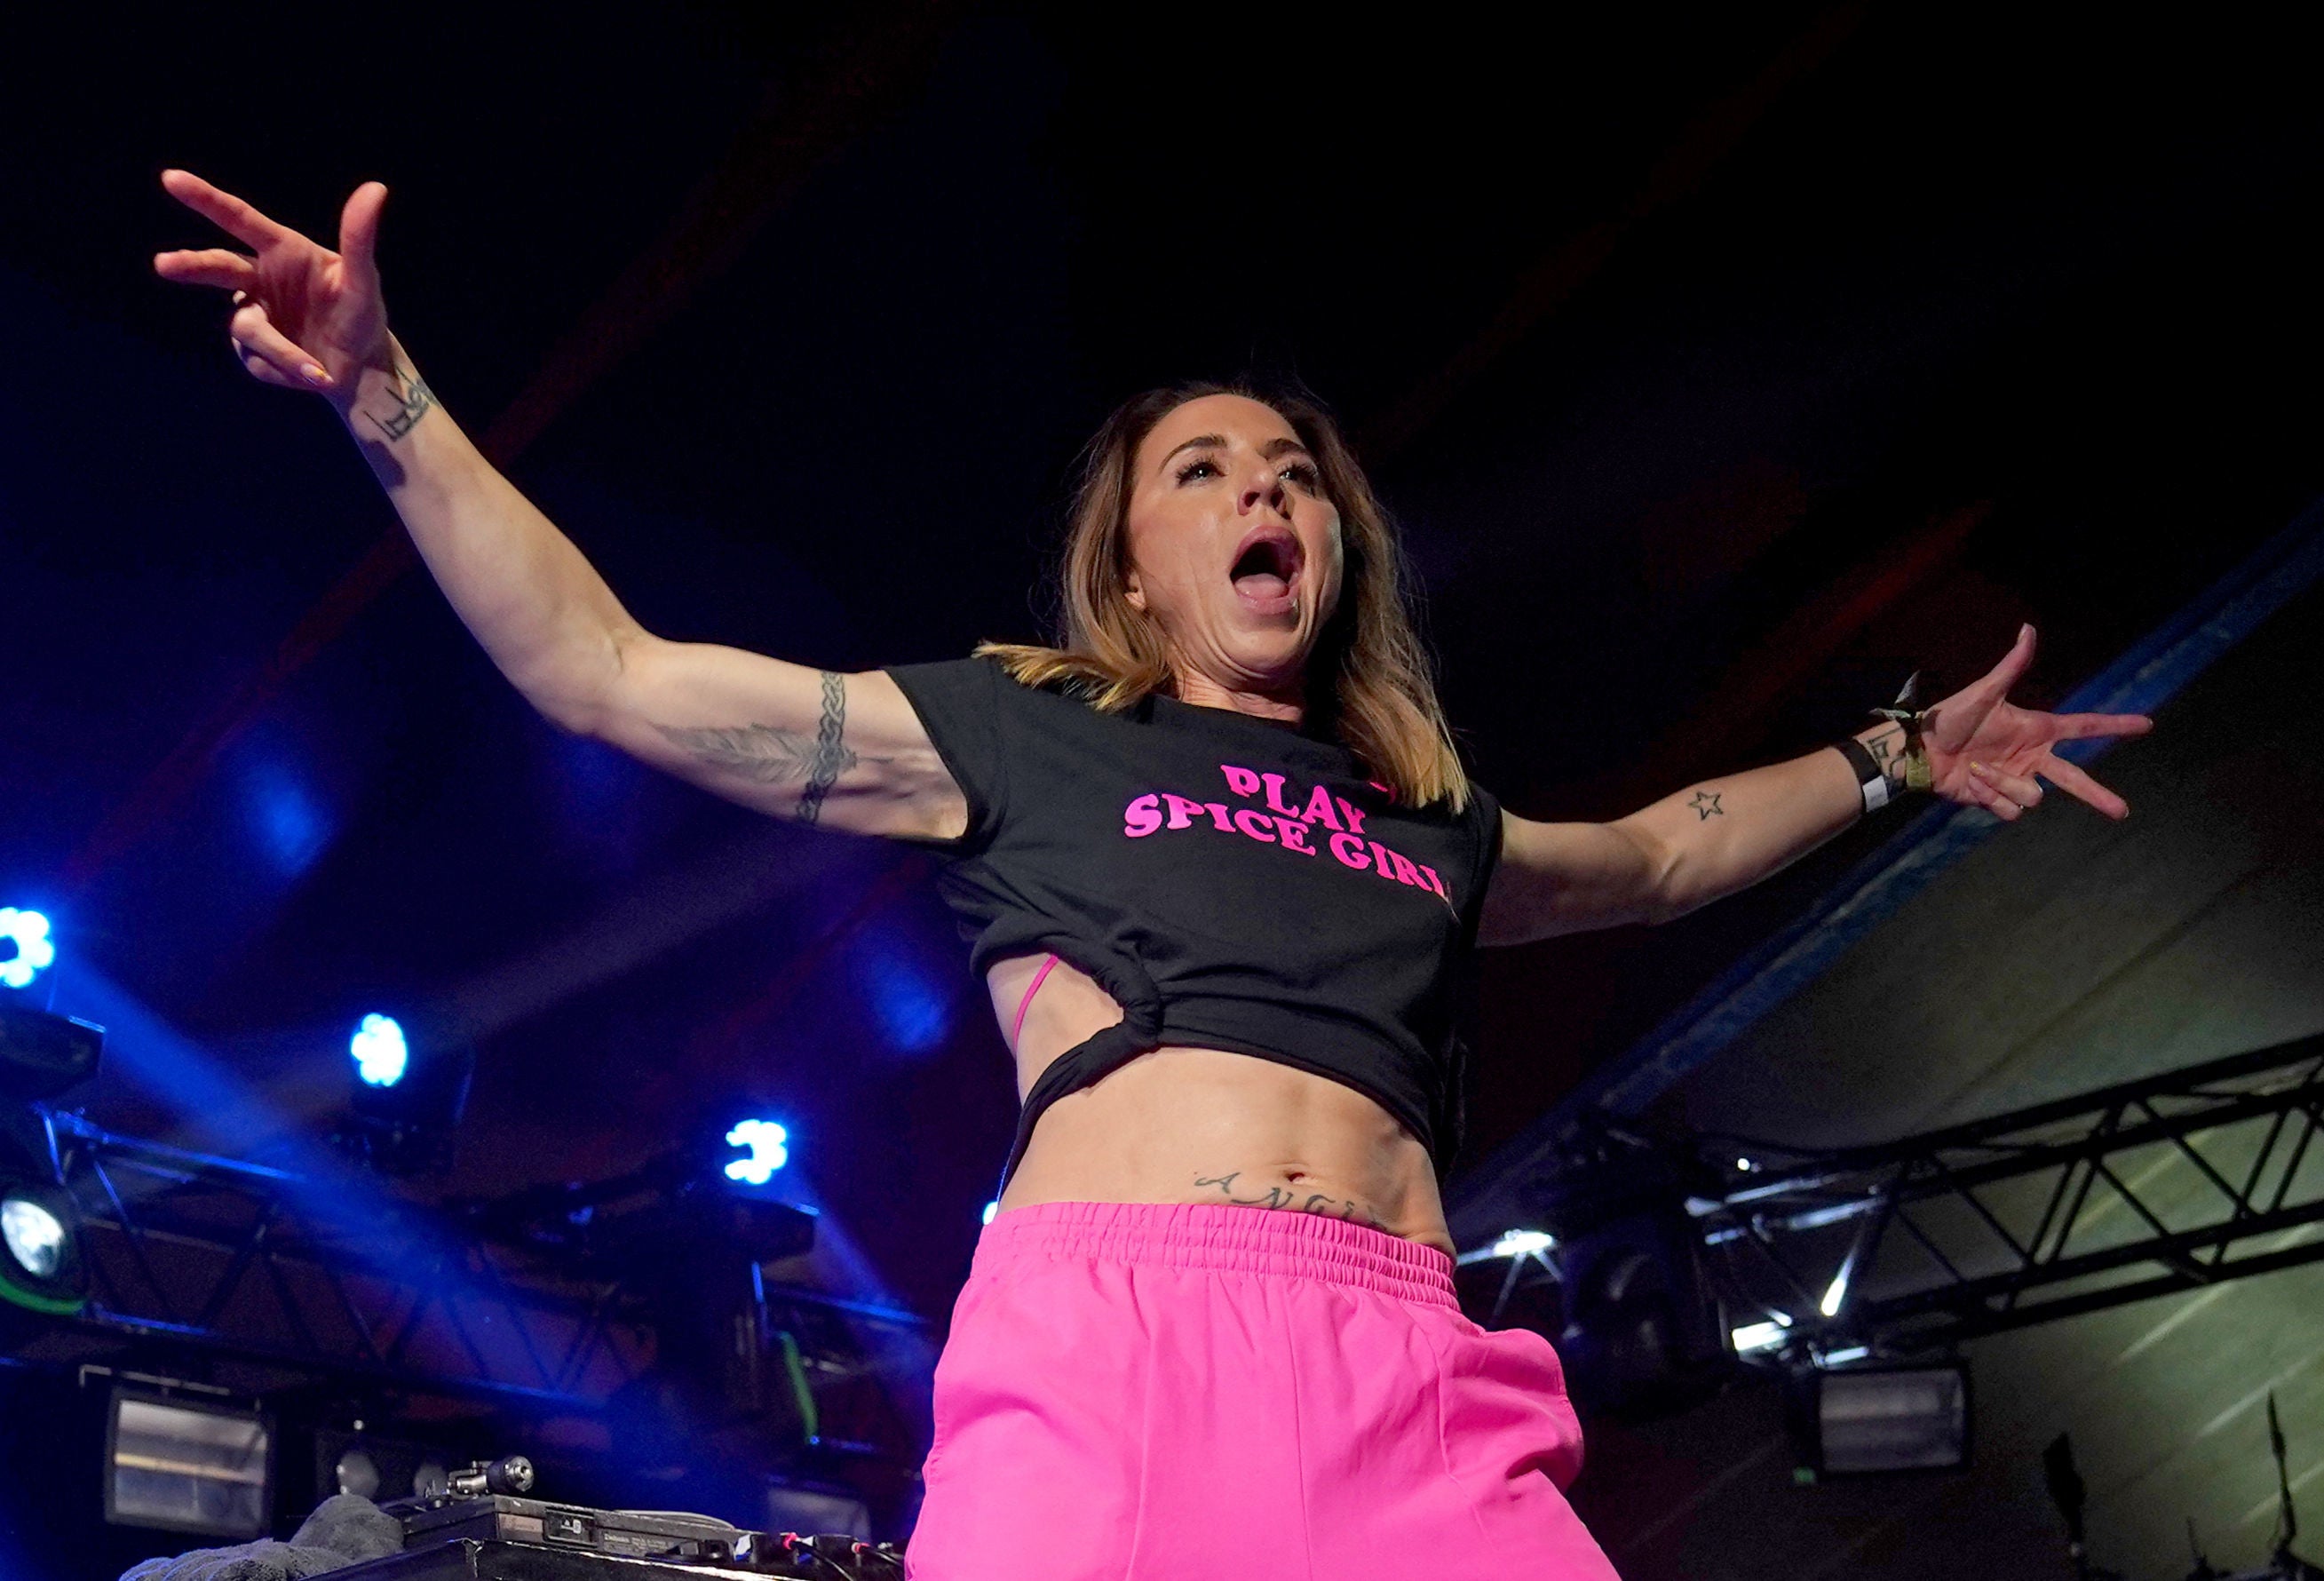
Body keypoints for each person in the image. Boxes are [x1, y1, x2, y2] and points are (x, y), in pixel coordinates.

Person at [155, 171, 2153, 1577]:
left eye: (1288, 470)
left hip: (1408, 1364)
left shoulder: (1421, 813)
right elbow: (608, 672)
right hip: (1114, 1343)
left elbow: (1651, 853)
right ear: (1132, 569)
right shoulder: (1023, 731)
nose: (1261, 491)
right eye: (1203, 471)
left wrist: (1892, 756)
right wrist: (387, 400)